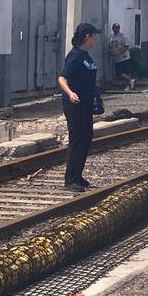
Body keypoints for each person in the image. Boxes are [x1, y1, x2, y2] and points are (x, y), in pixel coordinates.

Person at [58, 22, 101, 193]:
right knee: (77, 140)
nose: (95, 39)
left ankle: (78, 175)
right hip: (74, 105)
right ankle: (70, 179)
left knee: (86, 138)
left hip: (87, 104)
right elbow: (62, 78)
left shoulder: (86, 56)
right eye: (93, 36)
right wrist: (70, 93)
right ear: (87, 37)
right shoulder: (75, 56)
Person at [107, 23, 134, 90]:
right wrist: (111, 52)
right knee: (119, 73)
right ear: (113, 29)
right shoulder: (111, 37)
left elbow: (126, 46)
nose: (116, 29)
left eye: (118, 28)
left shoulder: (122, 36)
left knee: (126, 71)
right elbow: (110, 46)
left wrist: (119, 52)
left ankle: (129, 85)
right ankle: (130, 81)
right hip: (117, 58)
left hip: (124, 57)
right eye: (115, 28)